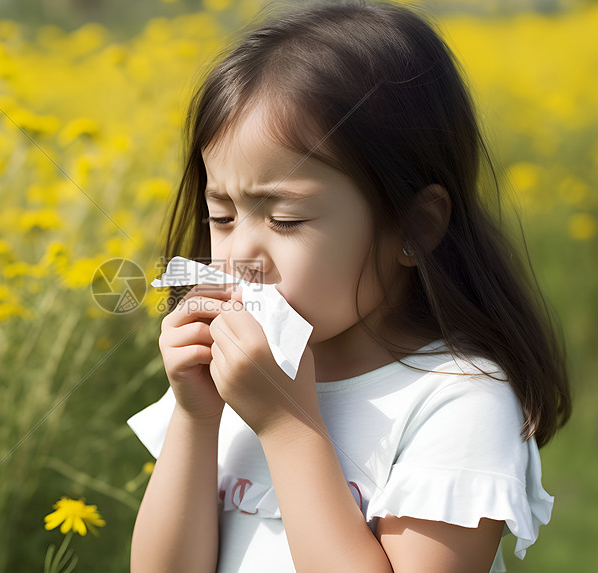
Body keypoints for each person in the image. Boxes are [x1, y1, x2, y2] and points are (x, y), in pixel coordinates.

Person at [127, 1, 571, 572]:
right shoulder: (237, 379)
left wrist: (289, 425)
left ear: (415, 227)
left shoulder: (458, 402)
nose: (240, 256)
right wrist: (195, 417)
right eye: (222, 215)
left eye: (285, 220)